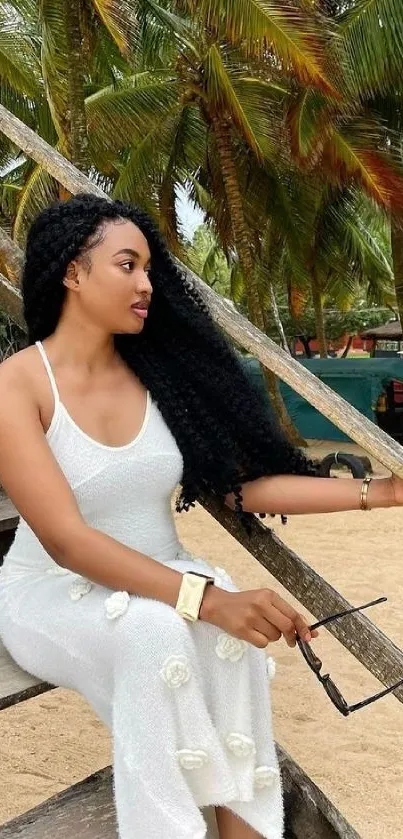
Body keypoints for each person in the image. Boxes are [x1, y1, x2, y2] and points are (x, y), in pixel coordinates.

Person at [0, 194, 402, 839]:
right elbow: (68, 541)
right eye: (127, 265)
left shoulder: (157, 377)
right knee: (157, 633)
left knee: (223, 637)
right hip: (51, 591)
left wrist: (381, 493)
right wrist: (207, 600)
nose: (146, 284)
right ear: (72, 273)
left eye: (151, 270)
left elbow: (240, 488)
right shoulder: (17, 385)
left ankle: (245, 832)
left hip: (161, 578)